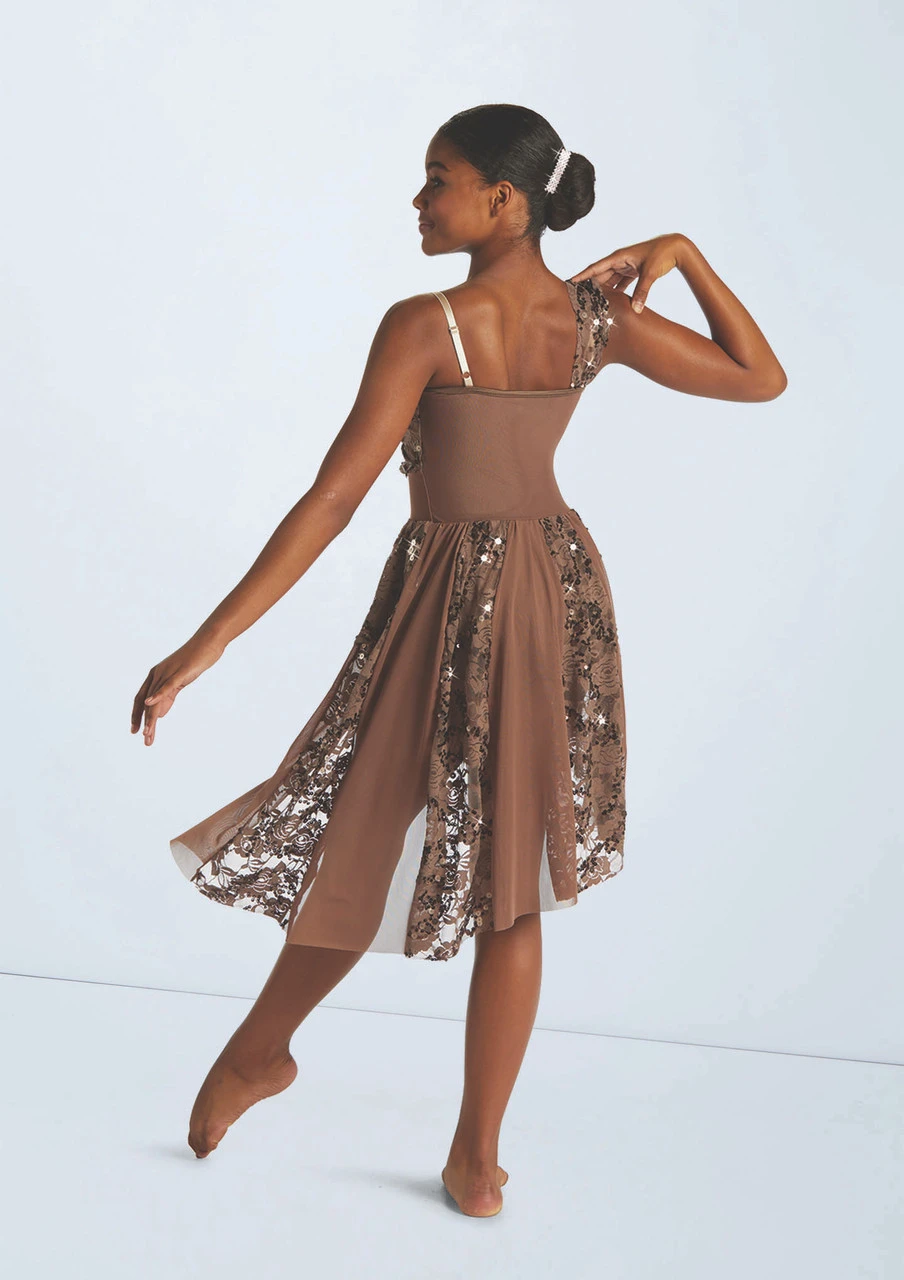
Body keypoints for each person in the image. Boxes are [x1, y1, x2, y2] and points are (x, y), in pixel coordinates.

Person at [131, 103, 787, 1218]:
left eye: (438, 178)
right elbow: (756, 374)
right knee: (489, 872)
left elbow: (333, 500)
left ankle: (332, 1082)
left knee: (419, 845)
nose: (419, 200)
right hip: (547, 588)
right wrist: (682, 258)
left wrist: (207, 643)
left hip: (467, 595)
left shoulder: (427, 322)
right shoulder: (592, 319)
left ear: (504, 200)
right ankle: (429, 1138)